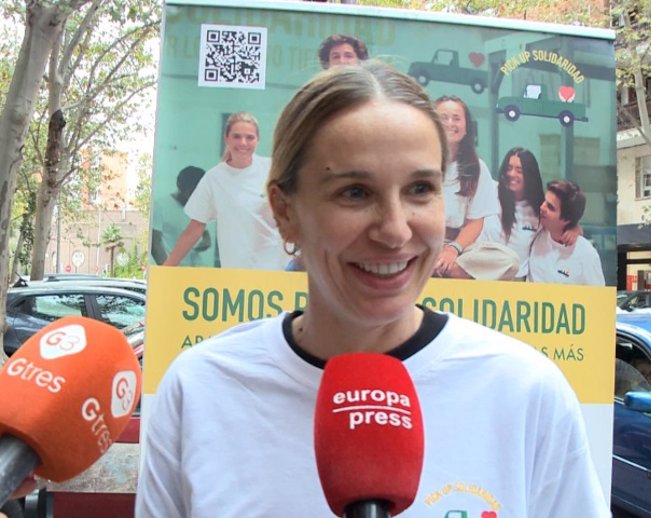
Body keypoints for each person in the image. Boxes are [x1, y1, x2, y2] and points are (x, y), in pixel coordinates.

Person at [136, 61, 609, 517]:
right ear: (284, 210)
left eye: (420, 189)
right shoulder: (200, 392)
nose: (395, 230)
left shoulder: (526, 393)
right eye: (355, 193)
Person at [163, 112, 286, 270]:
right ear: (226, 138)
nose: (243, 143)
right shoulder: (214, 178)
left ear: (258, 140)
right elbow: (195, 228)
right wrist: (165, 269)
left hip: (275, 273)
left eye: (250, 137)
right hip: (234, 275)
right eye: (236, 136)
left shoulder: (272, 170)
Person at [433, 95, 499, 278]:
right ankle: (437, 267)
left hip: (457, 247)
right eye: (443, 118)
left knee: (506, 259)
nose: (450, 123)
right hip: (422, 241)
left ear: (466, 127)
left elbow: (475, 222)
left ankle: (444, 269)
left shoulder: (478, 167)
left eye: (456, 118)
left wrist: (453, 249)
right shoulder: (417, 161)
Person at [528, 179, 605, 285]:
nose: (542, 207)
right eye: (544, 201)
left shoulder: (587, 255)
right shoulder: (537, 229)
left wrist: (576, 229)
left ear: (566, 220)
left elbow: (598, 298)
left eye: (550, 207)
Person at [151, 166, 214, 267]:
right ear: (180, 186)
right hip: (173, 272)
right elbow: (155, 244)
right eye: (193, 191)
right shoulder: (160, 206)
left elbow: (204, 231)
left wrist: (206, 241)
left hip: (195, 270)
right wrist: (167, 271)